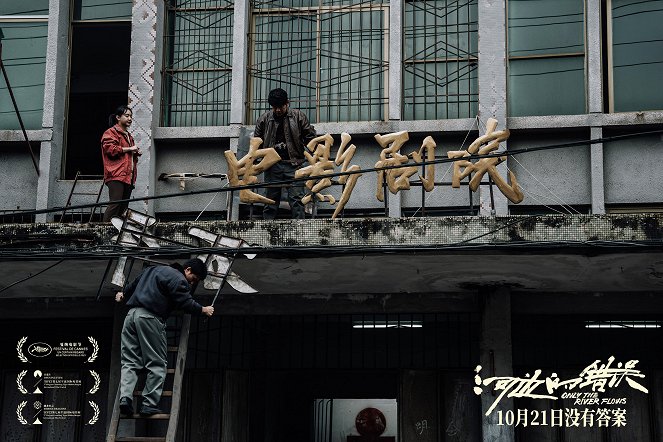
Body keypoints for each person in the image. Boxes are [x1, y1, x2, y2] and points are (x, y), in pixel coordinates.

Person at [114, 258, 214, 416]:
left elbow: (133, 284)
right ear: (187, 270)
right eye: (194, 279)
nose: (192, 283)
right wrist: (203, 309)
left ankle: (125, 399)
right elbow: (185, 303)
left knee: (130, 361)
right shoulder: (178, 279)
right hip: (150, 318)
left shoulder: (153, 270)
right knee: (157, 363)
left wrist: (123, 294)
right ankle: (148, 404)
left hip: (131, 316)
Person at [254, 88, 316, 219]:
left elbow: (311, 139)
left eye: (280, 106)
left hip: (294, 164)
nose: (277, 110)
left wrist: (316, 157)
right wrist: (254, 164)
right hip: (272, 166)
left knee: (297, 200)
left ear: (287, 102)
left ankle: (300, 231)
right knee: (270, 200)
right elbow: (256, 144)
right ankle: (267, 231)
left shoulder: (298, 117)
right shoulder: (264, 120)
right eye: (274, 107)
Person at [101, 105, 141, 222]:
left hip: (128, 177)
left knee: (123, 209)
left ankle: (116, 232)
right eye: (127, 116)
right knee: (115, 204)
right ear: (118, 117)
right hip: (116, 175)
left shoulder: (128, 136)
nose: (130, 119)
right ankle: (104, 230)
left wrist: (135, 153)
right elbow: (110, 149)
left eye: (131, 116)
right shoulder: (111, 132)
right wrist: (129, 149)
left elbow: (125, 154)